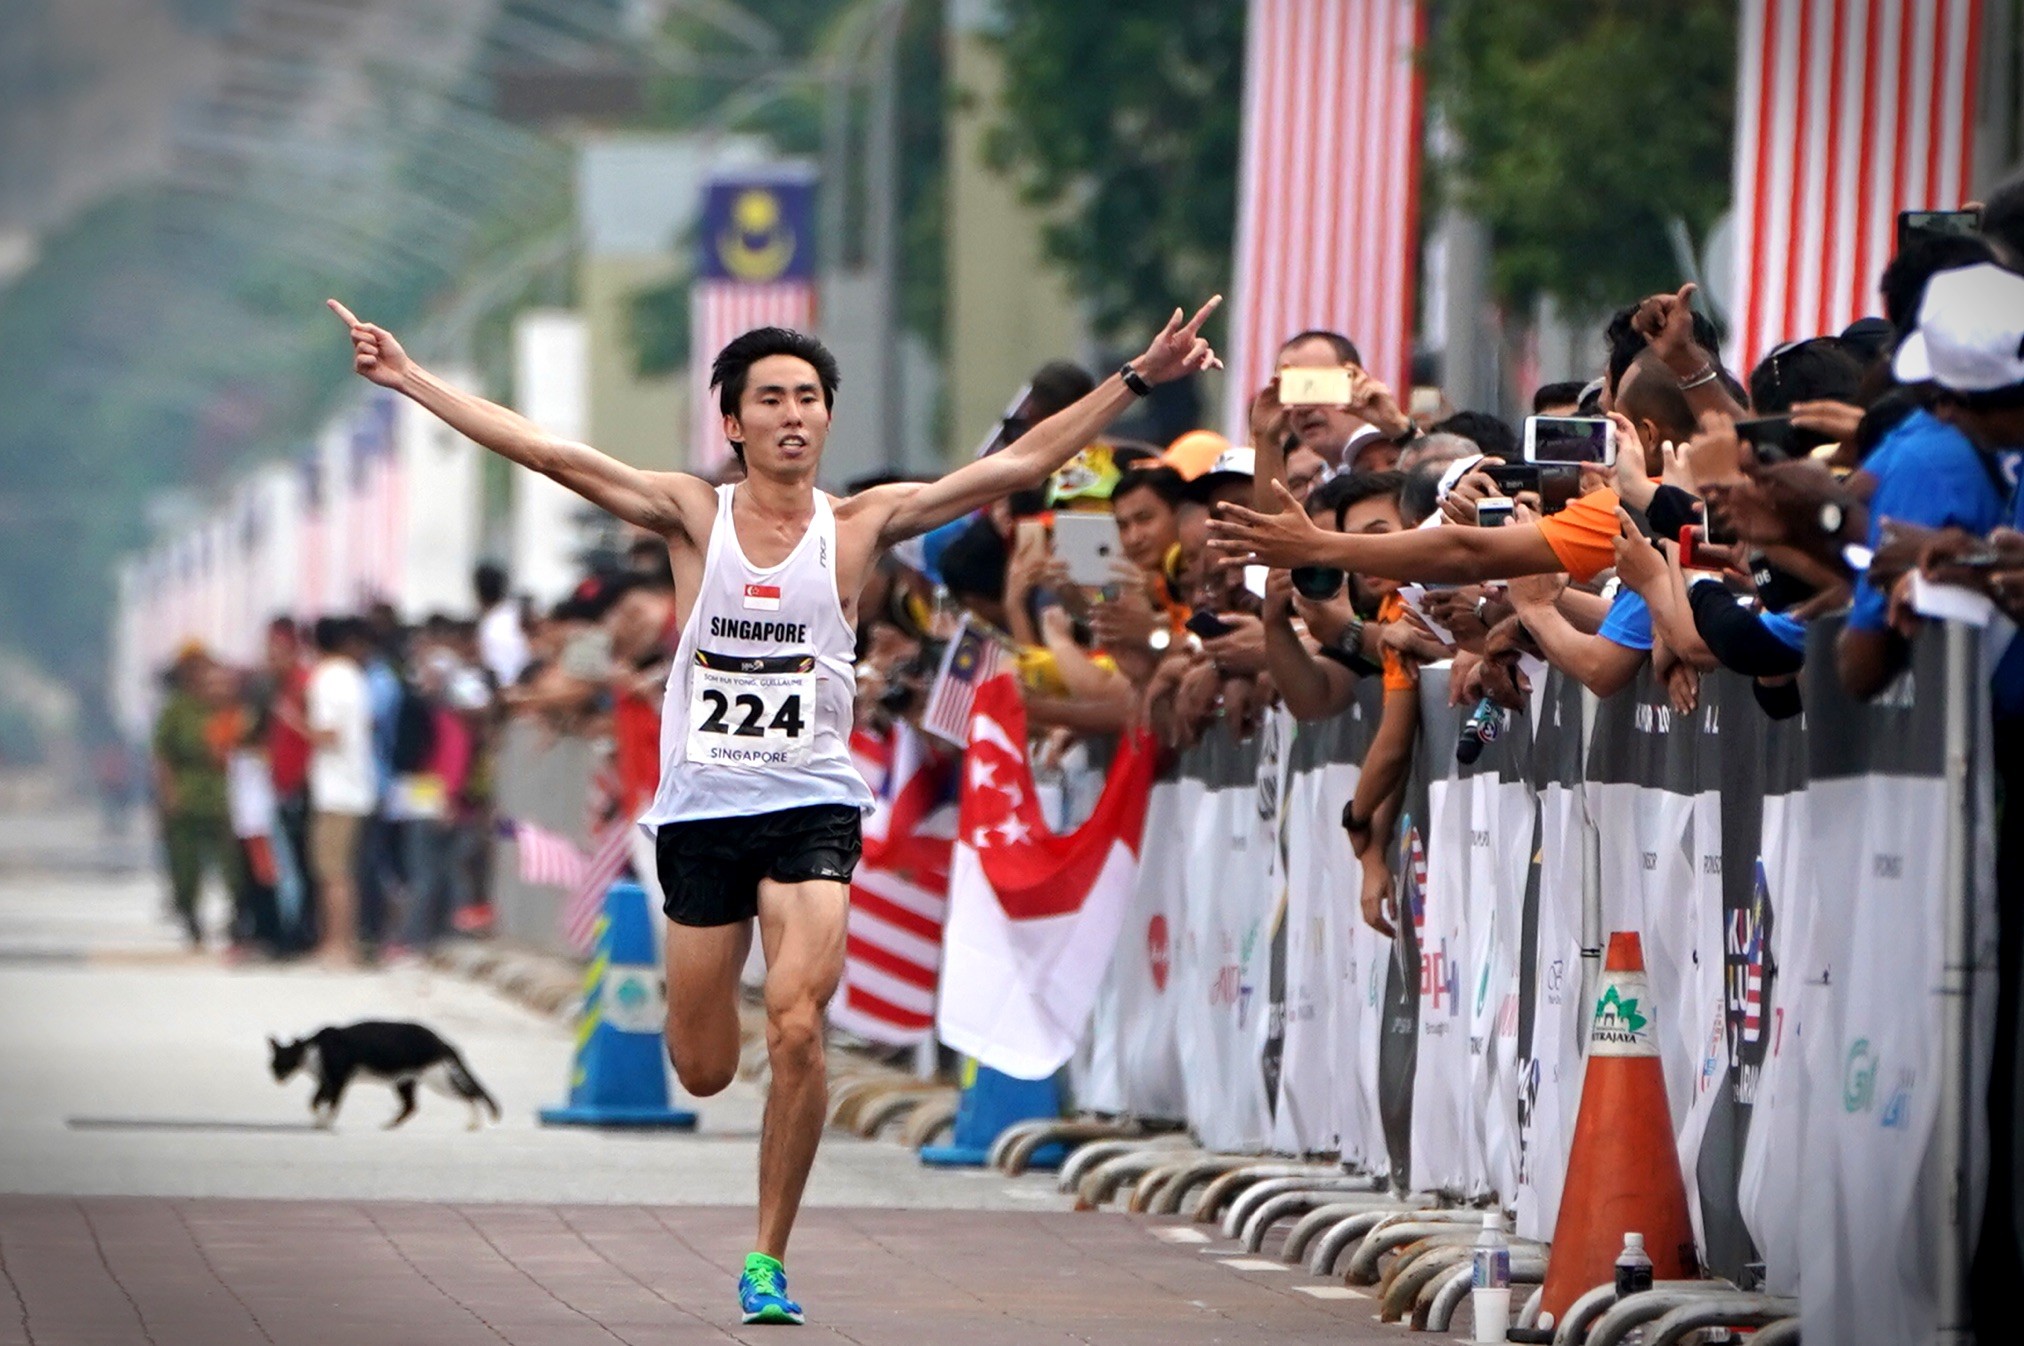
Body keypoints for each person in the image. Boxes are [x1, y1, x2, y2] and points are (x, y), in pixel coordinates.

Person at [328, 292, 1221, 1325]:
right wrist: (411, 381)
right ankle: (707, 1049)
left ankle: (766, 1256)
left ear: (825, 418)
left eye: (808, 397)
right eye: (771, 399)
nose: (793, 414)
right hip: (702, 813)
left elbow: (1015, 470)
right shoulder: (690, 514)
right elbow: (549, 454)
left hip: (814, 805)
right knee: (703, 1064)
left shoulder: (862, 523)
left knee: (798, 1026)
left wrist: (1138, 379)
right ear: (735, 423)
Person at [151, 645, 235, 948]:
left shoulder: (230, 709)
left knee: (233, 868)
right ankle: (189, 914)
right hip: (186, 798)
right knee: (185, 868)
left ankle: (238, 918)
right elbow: (163, 756)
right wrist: (168, 794)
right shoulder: (177, 709)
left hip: (224, 799)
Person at [307, 617, 375, 967]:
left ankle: (337, 945)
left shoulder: (327, 679)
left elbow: (328, 733)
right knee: (341, 870)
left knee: (333, 872)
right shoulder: (354, 677)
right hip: (355, 785)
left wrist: (298, 727)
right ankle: (340, 943)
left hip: (336, 789)